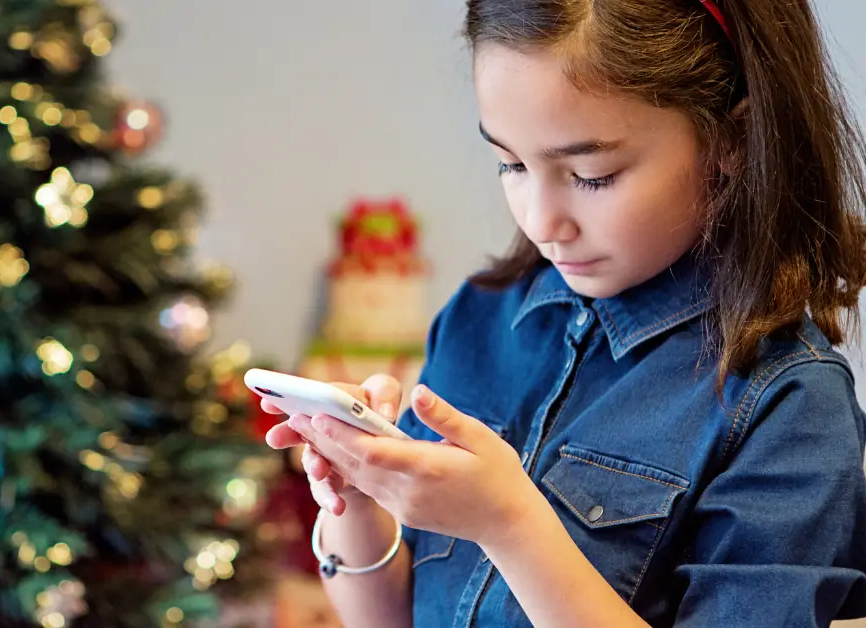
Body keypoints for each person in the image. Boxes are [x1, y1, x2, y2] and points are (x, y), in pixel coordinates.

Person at [262, 0, 866, 626]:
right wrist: (360, 501)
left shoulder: (788, 405)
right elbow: (386, 619)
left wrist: (511, 527)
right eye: (511, 164)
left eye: (592, 175)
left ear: (732, 142)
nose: (541, 221)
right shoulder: (479, 318)